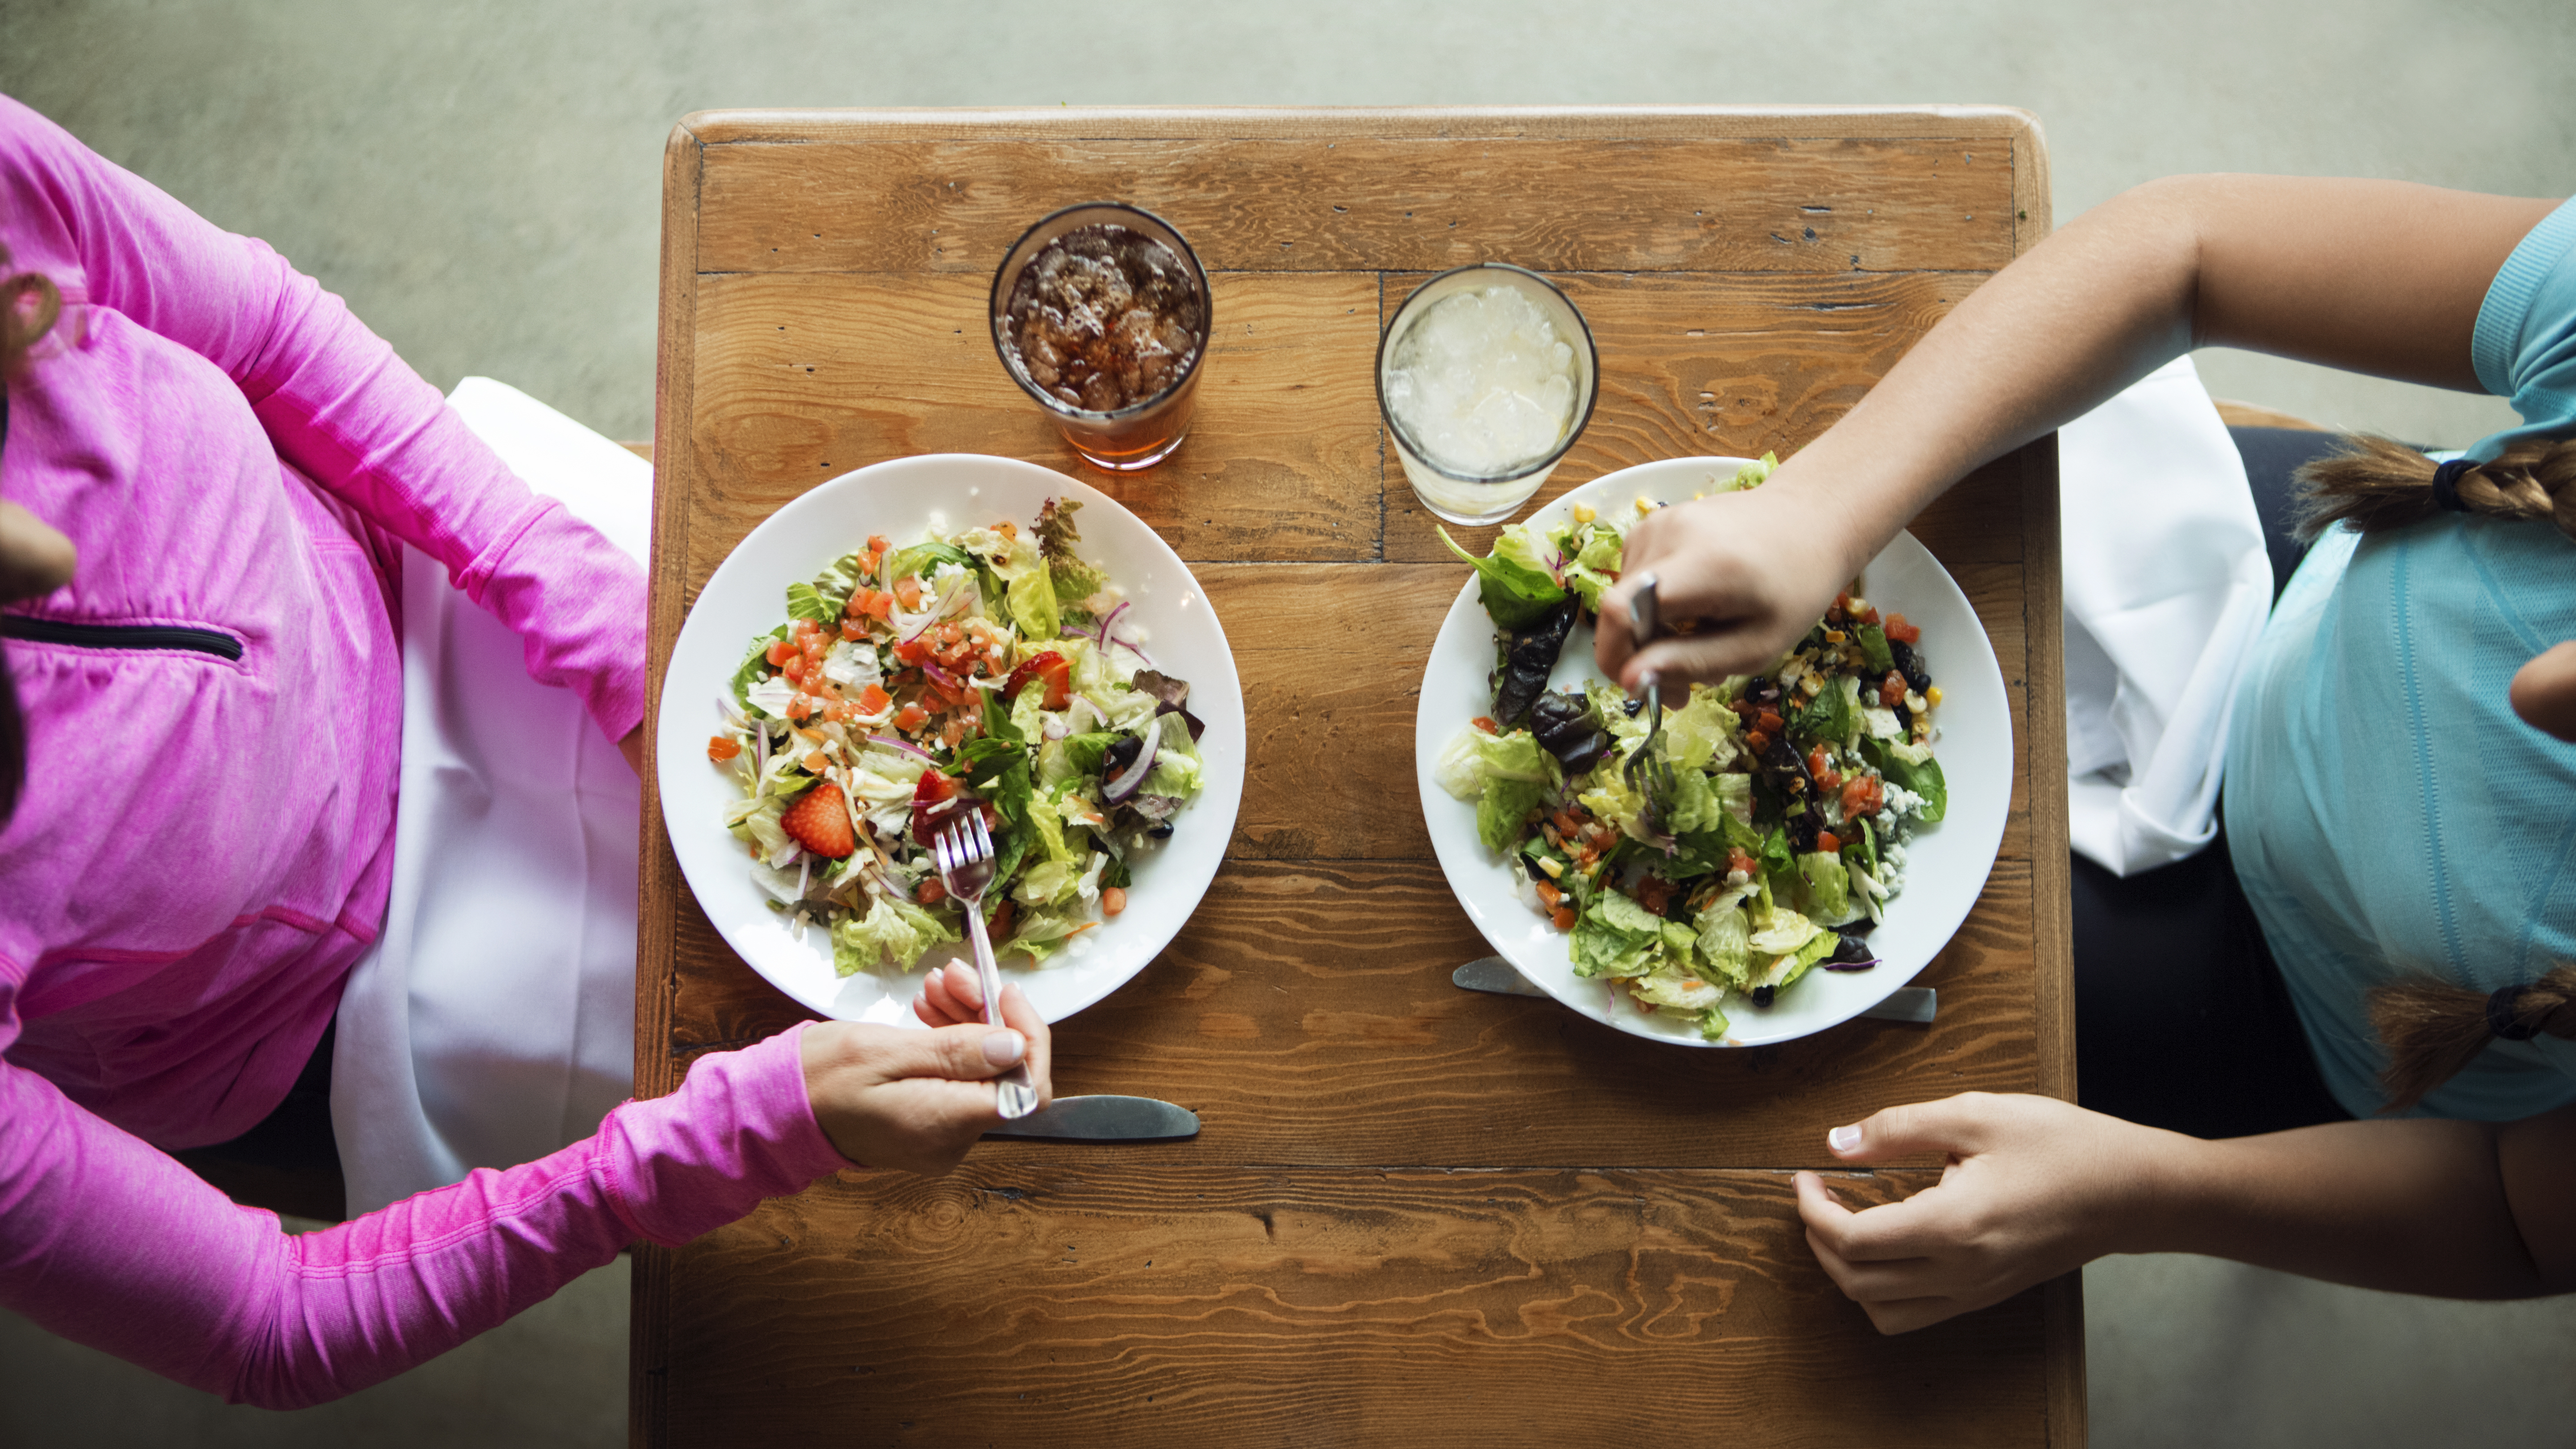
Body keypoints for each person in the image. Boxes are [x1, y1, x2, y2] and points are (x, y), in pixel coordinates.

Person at [0, 93, 1050, 1406]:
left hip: (425, 569)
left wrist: (589, 618)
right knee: (839, 1048)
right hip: (335, 992)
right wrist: (747, 1130)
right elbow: (269, 1322)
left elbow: (264, 331)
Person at [1594, 174, 2576, 1333]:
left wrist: (2142, 1195)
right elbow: (2186, 249)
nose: (2538, 688)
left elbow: (2519, 1215)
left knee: (1771, 1132)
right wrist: (1817, 509)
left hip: (2292, 1010)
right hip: (2298, 563)